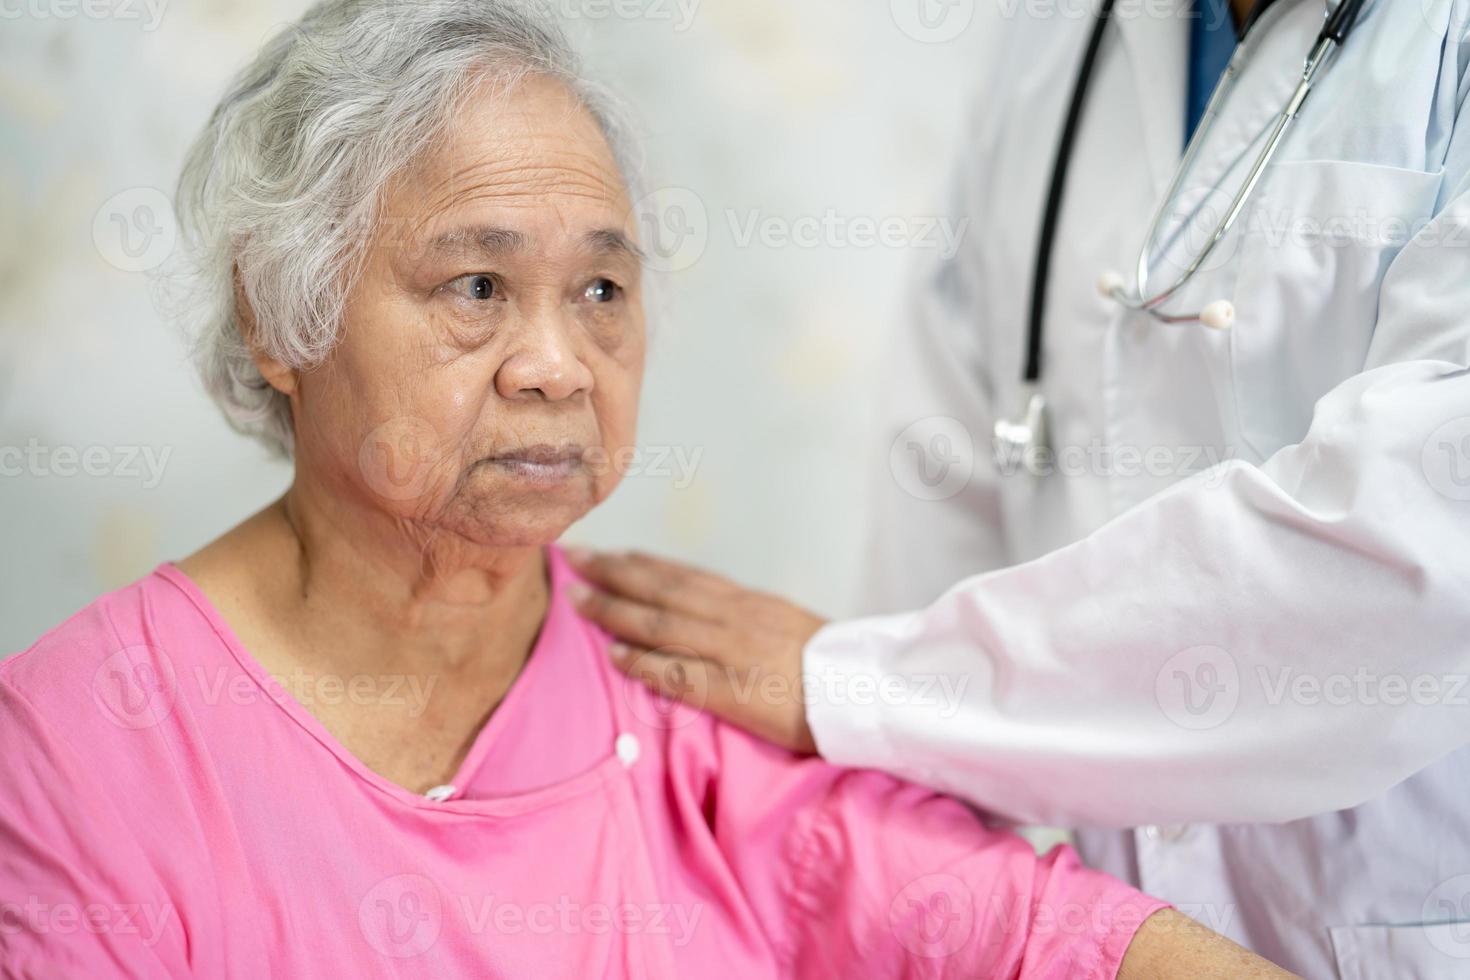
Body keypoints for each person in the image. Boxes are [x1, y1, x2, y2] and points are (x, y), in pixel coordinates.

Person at [0, 1, 1299, 976]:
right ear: (278, 313)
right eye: (476, 288)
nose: (560, 366)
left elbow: (1044, 939)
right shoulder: (72, 747)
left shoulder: (687, 687)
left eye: (602, 291)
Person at [566, 0, 1470, 976]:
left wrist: (869, 684)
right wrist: (914, 802)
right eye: (477, 284)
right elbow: (945, 481)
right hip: (1087, 917)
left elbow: (1413, 555)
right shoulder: (1062, 39)